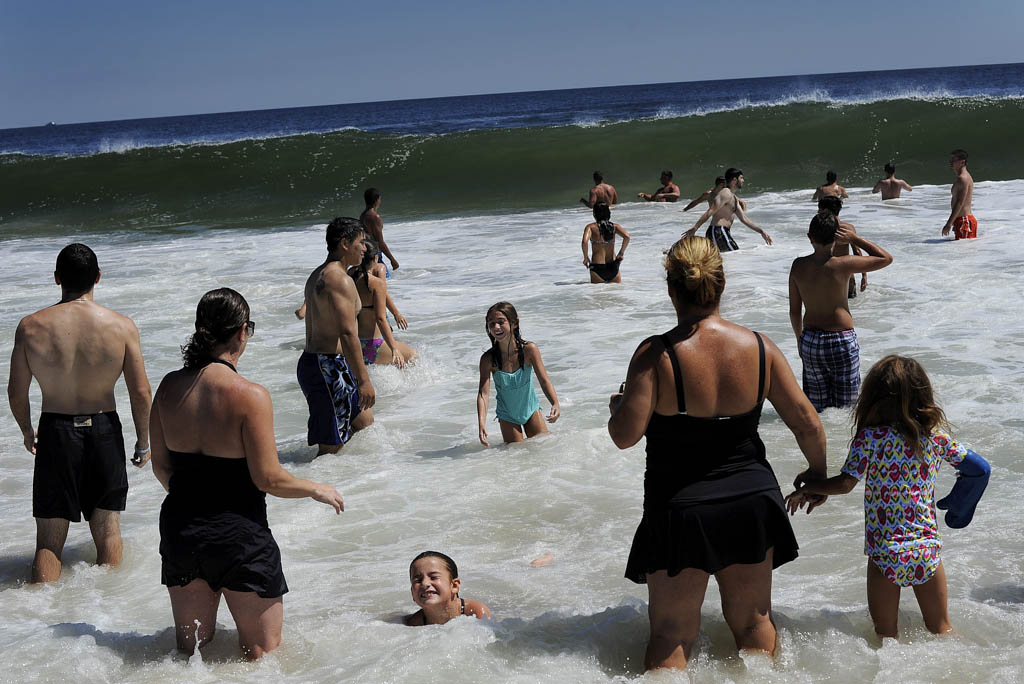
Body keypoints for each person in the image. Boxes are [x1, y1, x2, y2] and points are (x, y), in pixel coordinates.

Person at [608, 236, 827, 671]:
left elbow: (624, 436)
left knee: (672, 634)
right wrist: (817, 474)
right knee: (753, 624)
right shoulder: (761, 348)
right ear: (721, 284)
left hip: (680, 509)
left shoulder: (656, 354)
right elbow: (806, 422)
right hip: (751, 502)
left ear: (671, 290)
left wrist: (619, 408)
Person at [151, 288, 344, 660]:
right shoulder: (249, 395)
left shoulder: (169, 387)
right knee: (262, 657)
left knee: (192, 655)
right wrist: (315, 487)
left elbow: (162, 468)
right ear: (242, 331)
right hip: (240, 537)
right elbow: (268, 479)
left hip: (181, 530)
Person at [786, 355, 975, 638]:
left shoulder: (871, 438)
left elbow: (846, 484)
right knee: (942, 630)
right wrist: (959, 502)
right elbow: (978, 469)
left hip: (885, 552)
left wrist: (811, 488)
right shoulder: (936, 437)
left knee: (885, 636)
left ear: (873, 398)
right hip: (926, 549)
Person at [7, 243, 151, 584]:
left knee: (49, 543)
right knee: (108, 535)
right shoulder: (122, 326)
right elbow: (141, 392)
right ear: (98, 278)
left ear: (57, 278)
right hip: (103, 429)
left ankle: (41, 617)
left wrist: (28, 431)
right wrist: (143, 442)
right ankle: (105, 611)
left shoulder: (30, 327)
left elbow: (16, 392)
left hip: (56, 431)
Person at [788, 212, 893, 412]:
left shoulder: (798, 266)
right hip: (840, 341)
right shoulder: (843, 264)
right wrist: (855, 239)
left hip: (811, 340)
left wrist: (799, 340)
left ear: (810, 237)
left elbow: (794, 311)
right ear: (836, 238)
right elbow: (886, 258)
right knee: (847, 409)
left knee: (816, 408)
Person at [298, 217, 375, 455]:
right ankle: (316, 486)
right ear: (344, 243)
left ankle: (358, 482)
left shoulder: (319, 274)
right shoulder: (339, 279)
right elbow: (347, 331)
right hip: (327, 367)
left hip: (325, 364)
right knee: (330, 448)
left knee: (364, 423)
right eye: (361, 243)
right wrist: (364, 380)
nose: (364, 248)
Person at [477, 302, 560, 446]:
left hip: (531, 409)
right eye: (491, 324)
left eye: (501, 322)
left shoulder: (529, 350)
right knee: (517, 455)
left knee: (545, 447)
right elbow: (483, 394)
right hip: (507, 415)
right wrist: (481, 423)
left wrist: (555, 403)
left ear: (514, 323)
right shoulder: (488, 359)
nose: (496, 327)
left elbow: (544, 380)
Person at [351, 239, 416, 368]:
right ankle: (408, 388)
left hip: (354, 344)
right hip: (373, 345)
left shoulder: (350, 275)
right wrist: (394, 348)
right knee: (414, 356)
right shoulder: (376, 283)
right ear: (376, 258)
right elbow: (380, 318)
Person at [684, 168, 771, 251]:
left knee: (728, 260)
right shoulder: (725, 193)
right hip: (718, 231)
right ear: (734, 180)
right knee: (736, 256)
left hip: (720, 232)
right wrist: (695, 228)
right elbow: (710, 211)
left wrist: (761, 231)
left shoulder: (733, 197)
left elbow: (744, 219)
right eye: (741, 178)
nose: (743, 180)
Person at [403, 551, 492, 625]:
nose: (424, 583)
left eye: (433, 577)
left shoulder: (476, 612)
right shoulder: (413, 623)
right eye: (418, 580)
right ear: (412, 593)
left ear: (454, 586)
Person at [818, 195, 868, 298]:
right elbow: (857, 252)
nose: (818, 212)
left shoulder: (820, 227)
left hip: (827, 274)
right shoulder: (848, 228)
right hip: (847, 275)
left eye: (819, 209)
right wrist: (864, 276)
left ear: (825, 210)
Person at [581, 202, 631, 283]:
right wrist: (621, 253)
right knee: (617, 293)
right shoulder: (615, 227)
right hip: (613, 266)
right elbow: (627, 237)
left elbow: (584, 242)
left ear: (594, 214)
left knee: (598, 295)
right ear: (608, 213)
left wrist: (586, 257)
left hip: (597, 267)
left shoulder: (590, 227)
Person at [360, 188, 399, 276]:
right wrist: (392, 260)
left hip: (366, 253)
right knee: (385, 279)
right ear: (377, 200)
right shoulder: (375, 217)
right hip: (375, 254)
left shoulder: (363, 216)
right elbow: (380, 242)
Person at [942, 149, 976, 239]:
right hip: (962, 220)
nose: (951, 162)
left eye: (954, 160)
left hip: (964, 221)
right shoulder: (963, 177)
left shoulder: (963, 178)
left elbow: (960, 202)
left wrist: (948, 224)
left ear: (962, 162)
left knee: (963, 252)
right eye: (951, 160)